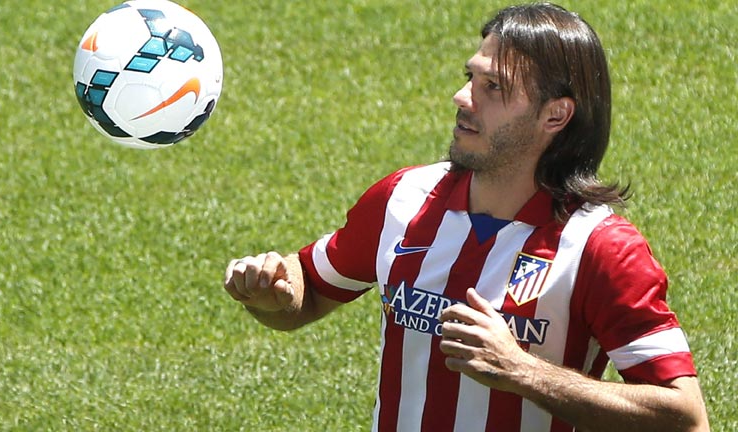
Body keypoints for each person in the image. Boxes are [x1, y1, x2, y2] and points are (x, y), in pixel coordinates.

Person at [223, 3, 710, 431]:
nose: (462, 97)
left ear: (555, 116)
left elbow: (684, 417)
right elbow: (309, 287)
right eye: (470, 77)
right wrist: (272, 292)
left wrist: (522, 371)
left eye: (493, 87)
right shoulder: (404, 199)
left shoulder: (600, 248)